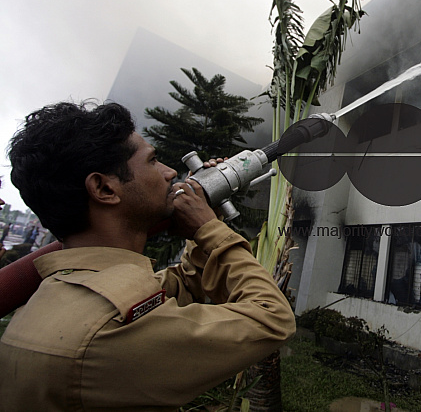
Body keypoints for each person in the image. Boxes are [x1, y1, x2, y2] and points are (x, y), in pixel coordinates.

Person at [0, 101, 295, 410]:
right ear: (104, 188)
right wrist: (210, 229)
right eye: (153, 161)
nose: (170, 173)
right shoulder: (108, 328)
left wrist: (205, 220)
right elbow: (272, 317)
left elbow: (182, 286)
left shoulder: (74, 292)